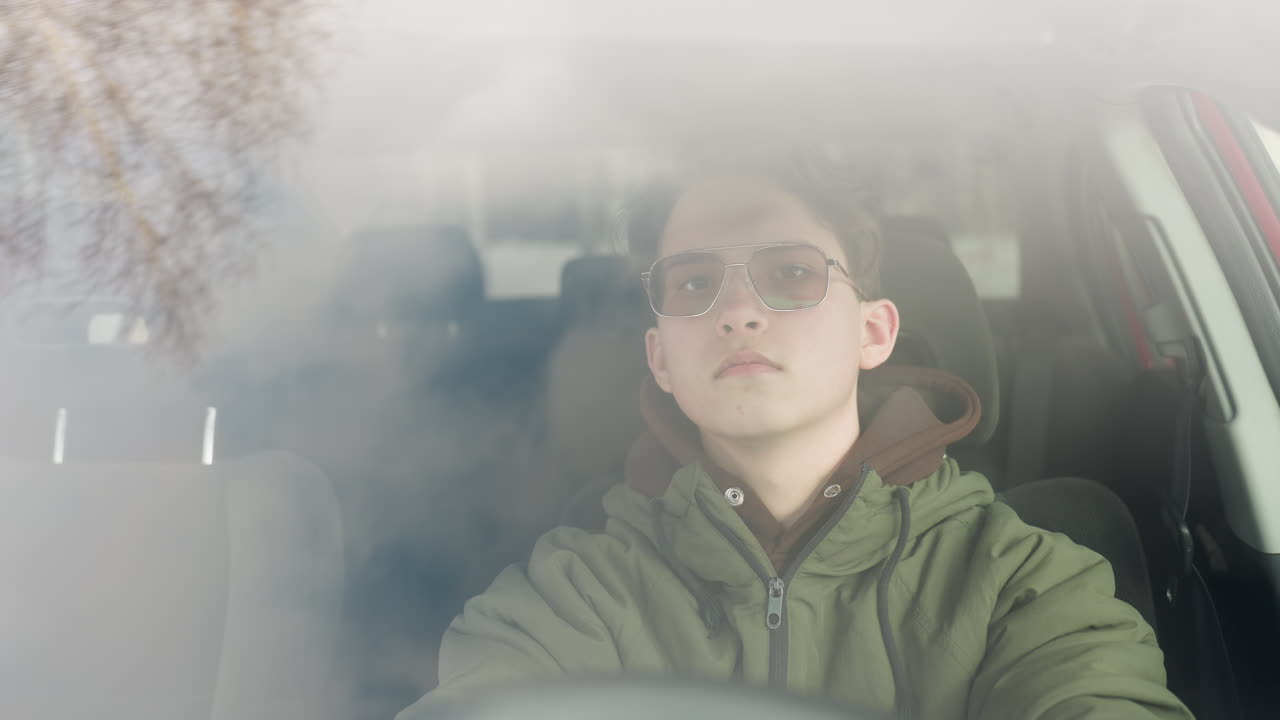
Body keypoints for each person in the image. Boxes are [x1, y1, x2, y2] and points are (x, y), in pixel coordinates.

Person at [396, 149, 1193, 719]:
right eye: (696, 282)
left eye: (790, 274)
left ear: (874, 333)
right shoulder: (573, 595)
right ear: (660, 358)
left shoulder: (1023, 583)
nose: (737, 311)